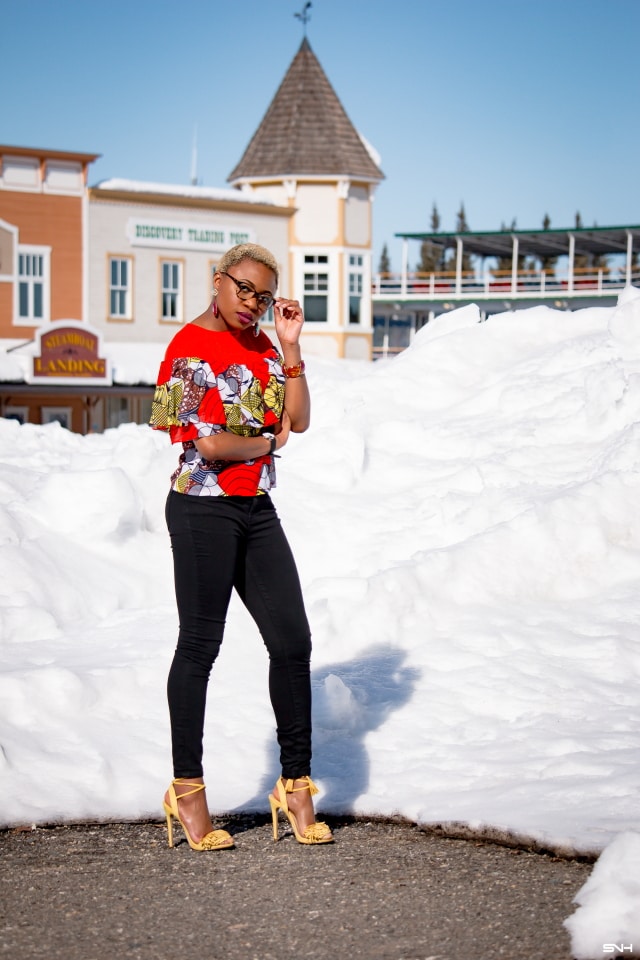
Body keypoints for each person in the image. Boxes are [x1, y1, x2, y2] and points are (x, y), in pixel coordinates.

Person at [150, 242, 333, 850]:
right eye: (243, 289)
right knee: (200, 646)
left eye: (263, 294)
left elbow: (298, 421)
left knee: (292, 641)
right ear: (218, 280)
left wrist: (291, 348)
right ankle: (188, 791)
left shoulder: (263, 346)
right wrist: (264, 444)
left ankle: (297, 786)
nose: (252, 303)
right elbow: (209, 447)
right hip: (202, 509)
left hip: (255, 508)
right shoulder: (185, 349)